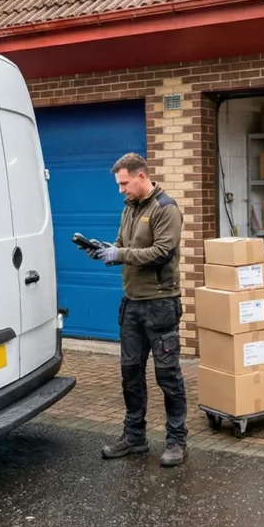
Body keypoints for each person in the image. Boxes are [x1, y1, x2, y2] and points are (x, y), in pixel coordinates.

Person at [86, 152, 188, 467]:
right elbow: (121, 244)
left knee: (167, 374)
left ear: (141, 176)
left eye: (124, 183)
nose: (120, 190)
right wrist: (104, 250)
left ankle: (176, 441)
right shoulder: (129, 209)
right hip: (132, 304)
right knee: (130, 372)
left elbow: (161, 252)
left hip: (160, 303)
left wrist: (121, 254)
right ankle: (135, 437)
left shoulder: (165, 208)